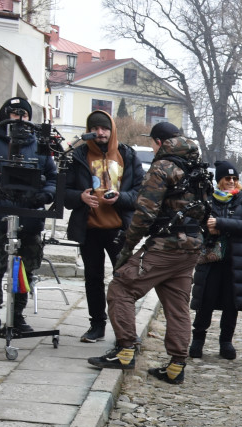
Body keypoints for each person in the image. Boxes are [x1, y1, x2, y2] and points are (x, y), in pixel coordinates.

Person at [87, 122, 205, 385]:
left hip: (166, 246)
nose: (152, 149)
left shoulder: (162, 167)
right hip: (190, 247)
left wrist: (128, 247)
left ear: (159, 143)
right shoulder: (195, 167)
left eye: (152, 143)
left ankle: (126, 350)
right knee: (177, 307)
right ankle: (176, 366)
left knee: (121, 288)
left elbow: (145, 212)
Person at [64, 109, 145, 343]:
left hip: (119, 229)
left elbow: (141, 192)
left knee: (125, 279)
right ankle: (96, 325)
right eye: (95, 128)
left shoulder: (127, 155)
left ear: (112, 130)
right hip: (89, 227)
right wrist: (80, 197)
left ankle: (126, 331)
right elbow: (63, 191)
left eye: (104, 128)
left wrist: (120, 198)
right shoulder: (78, 155)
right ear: (89, 130)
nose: (100, 133)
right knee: (93, 278)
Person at [0, 97, 57, 334]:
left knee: (24, 270)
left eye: (24, 114)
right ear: (5, 115)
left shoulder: (40, 144)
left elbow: (52, 176)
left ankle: (17, 316)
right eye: (14, 113)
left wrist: (47, 195)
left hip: (29, 217)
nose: (19, 118)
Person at [188, 160, 242, 359]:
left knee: (230, 303)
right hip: (211, 259)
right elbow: (198, 223)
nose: (232, 182)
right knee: (205, 301)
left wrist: (220, 223)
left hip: (236, 261)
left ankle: (226, 342)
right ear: (219, 180)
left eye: (235, 178)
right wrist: (209, 228)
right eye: (228, 178)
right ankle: (198, 339)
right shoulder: (208, 199)